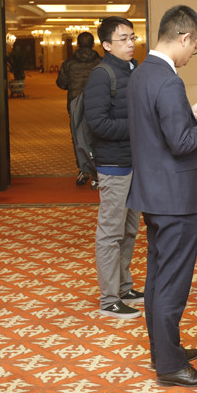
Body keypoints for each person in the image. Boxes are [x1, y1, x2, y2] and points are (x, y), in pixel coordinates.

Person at [126, 5, 197, 388]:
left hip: (153, 192)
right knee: (172, 283)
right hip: (176, 197)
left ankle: (164, 350)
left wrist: (187, 114)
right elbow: (180, 142)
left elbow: (158, 127)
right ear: (185, 38)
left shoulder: (142, 73)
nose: (192, 54)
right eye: (195, 47)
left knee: (158, 277)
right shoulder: (168, 80)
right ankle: (170, 366)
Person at [84, 17, 143, 320]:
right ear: (107, 45)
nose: (131, 43)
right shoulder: (101, 75)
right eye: (123, 39)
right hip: (113, 164)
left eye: (132, 37)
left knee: (129, 229)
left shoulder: (132, 70)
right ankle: (109, 299)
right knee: (110, 233)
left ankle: (123, 286)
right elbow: (98, 124)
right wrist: (139, 126)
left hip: (134, 161)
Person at [56, 30, 102, 187]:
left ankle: (84, 169)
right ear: (93, 44)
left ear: (77, 44)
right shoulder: (101, 62)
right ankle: (96, 173)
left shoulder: (69, 63)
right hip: (97, 104)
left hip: (75, 104)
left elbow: (61, 83)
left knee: (78, 138)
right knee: (96, 139)